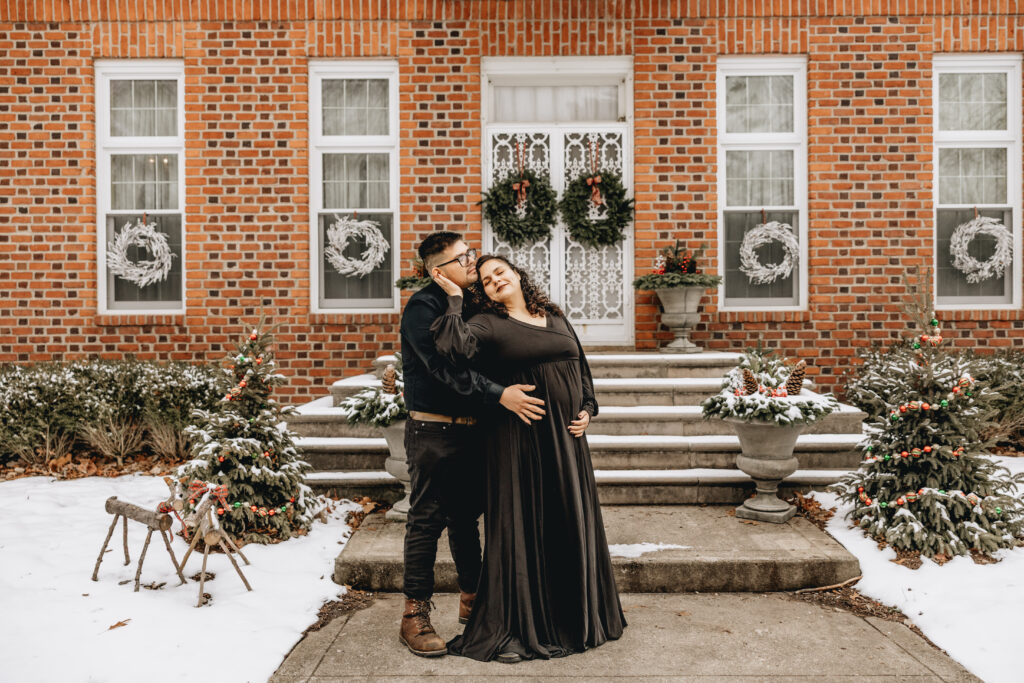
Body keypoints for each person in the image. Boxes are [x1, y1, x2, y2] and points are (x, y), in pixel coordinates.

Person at [431, 254, 626, 663]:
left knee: (567, 521)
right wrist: (453, 298)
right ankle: (518, 627)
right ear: (482, 292)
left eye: (500, 272)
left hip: (568, 443)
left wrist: (589, 407)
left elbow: (582, 369)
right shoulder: (488, 324)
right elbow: (450, 350)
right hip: (520, 442)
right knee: (526, 526)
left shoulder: (554, 315)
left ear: (518, 274)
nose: (495, 280)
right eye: (484, 280)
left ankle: (575, 618)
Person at [398, 232, 546, 658]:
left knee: (467, 518)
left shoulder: (479, 302)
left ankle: (471, 599)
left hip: (475, 430)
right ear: (436, 271)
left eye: (470, 253)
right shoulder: (423, 308)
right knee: (426, 519)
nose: (471, 262)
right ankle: (415, 614)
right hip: (434, 431)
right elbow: (447, 370)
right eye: (461, 258)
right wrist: (500, 394)